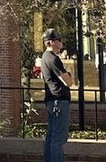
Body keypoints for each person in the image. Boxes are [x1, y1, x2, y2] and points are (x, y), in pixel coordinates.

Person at [40, 29, 73, 162]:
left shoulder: (45, 57)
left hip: (52, 101)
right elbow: (68, 82)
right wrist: (69, 75)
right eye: (59, 40)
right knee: (58, 138)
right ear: (51, 42)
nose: (61, 42)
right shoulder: (53, 59)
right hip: (58, 101)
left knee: (52, 136)